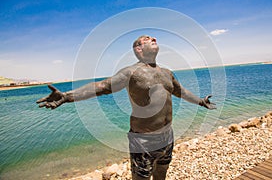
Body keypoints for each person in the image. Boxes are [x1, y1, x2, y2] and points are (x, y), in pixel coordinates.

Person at [37, 35, 216, 180]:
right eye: (147, 39)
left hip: (168, 136)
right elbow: (103, 86)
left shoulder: (166, 73)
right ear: (138, 49)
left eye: (153, 38)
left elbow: (180, 91)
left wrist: (200, 101)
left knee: (161, 174)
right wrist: (67, 96)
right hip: (143, 140)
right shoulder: (131, 72)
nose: (153, 38)